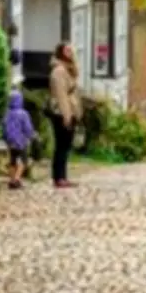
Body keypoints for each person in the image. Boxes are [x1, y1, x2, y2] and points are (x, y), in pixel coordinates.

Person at [48, 42, 82, 189]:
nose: (70, 52)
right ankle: (58, 177)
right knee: (61, 145)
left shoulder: (69, 70)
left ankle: (62, 176)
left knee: (66, 146)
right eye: (67, 50)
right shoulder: (59, 71)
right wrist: (66, 115)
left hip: (70, 110)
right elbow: (60, 94)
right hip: (61, 112)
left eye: (71, 50)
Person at [2, 89, 35, 189]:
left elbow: (3, 127)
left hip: (10, 141)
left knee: (12, 161)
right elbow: (27, 128)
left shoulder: (7, 114)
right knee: (23, 161)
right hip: (21, 141)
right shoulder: (23, 114)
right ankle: (16, 180)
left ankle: (11, 180)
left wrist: (5, 139)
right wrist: (30, 136)